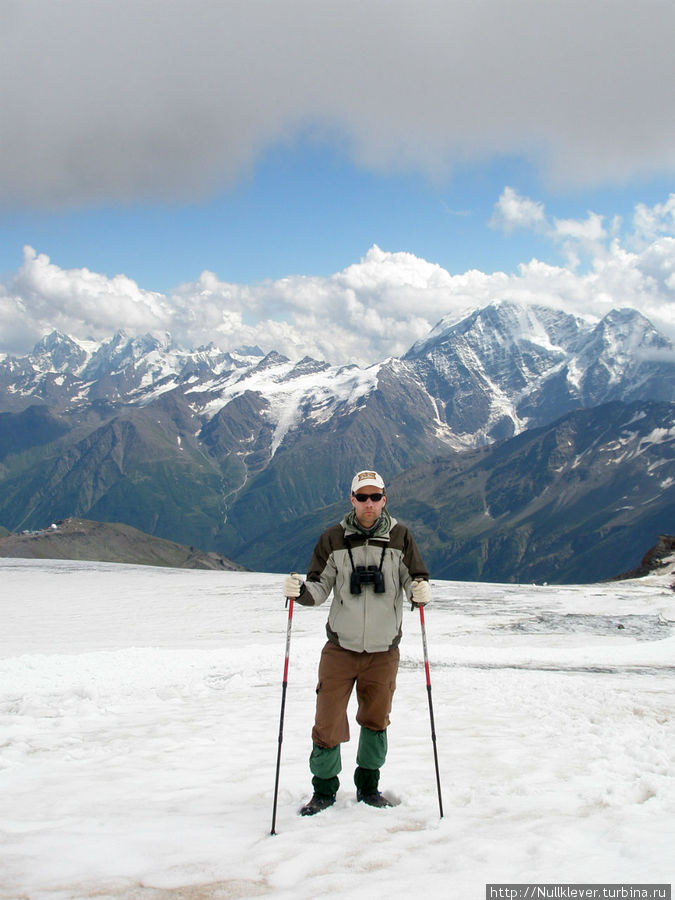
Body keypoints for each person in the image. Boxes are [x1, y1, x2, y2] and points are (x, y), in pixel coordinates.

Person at [283, 469, 431, 816]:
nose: (368, 504)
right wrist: (301, 592)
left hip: (384, 651)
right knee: (328, 720)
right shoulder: (333, 538)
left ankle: (368, 787)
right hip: (340, 648)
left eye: (374, 497)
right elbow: (319, 588)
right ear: (351, 499)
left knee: (376, 719)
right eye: (361, 497)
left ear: (384, 500)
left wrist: (421, 592)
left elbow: (415, 580)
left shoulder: (401, 537)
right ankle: (324, 791)